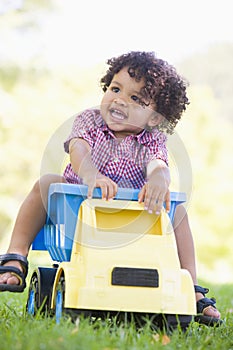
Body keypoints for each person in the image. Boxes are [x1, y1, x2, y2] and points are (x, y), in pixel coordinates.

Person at [0, 51, 221, 324]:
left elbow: (158, 165)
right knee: (46, 183)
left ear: (153, 118)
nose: (119, 99)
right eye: (115, 89)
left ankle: (192, 286)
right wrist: (92, 175)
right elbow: (78, 149)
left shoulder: (152, 139)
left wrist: (159, 179)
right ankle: (16, 256)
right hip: (77, 215)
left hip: (133, 227)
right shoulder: (90, 121)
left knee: (177, 212)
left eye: (136, 98)